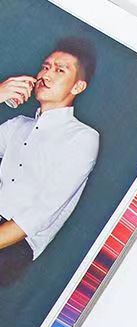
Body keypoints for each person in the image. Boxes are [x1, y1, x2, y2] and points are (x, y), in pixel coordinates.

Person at [0, 37, 100, 286]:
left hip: (17, 242)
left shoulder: (82, 138)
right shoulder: (18, 125)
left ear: (77, 87)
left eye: (59, 70)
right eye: (45, 67)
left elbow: (38, 216)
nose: (46, 74)